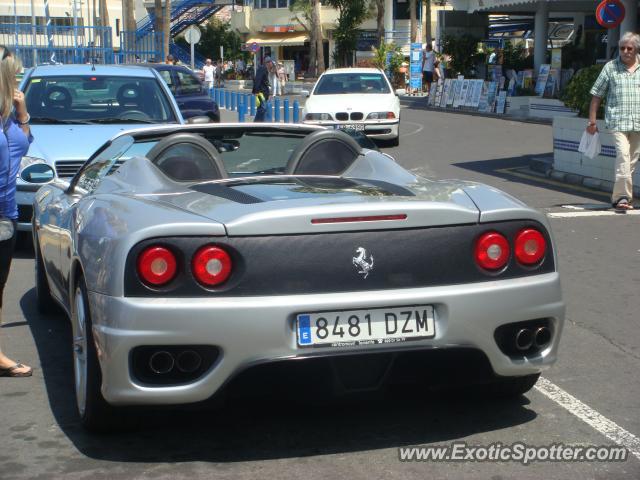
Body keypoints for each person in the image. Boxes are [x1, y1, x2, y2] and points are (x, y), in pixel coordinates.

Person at [0, 46, 33, 378]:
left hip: (7, 213)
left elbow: (21, 146)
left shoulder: (7, 116)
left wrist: (22, 115)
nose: (20, 78)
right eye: (16, 73)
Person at [588, 31, 640, 211]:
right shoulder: (610, 67)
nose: (625, 51)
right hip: (617, 122)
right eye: (622, 48)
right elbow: (596, 95)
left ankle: (619, 197)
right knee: (623, 156)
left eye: (629, 48)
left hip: (638, 124)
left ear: (636, 50)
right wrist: (592, 121)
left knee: (630, 163)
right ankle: (622, 197)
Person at [253, 56, 272, 122]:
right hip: (261, 93)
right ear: (268, 63)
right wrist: (256, 91)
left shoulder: (265, 69)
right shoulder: (262, 69)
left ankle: (258, 123)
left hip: (264, 93)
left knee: (262, 109)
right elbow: (257, 80)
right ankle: (257, 123)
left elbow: (264, 81)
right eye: (271, 62)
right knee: (262, 109)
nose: (271, 64)